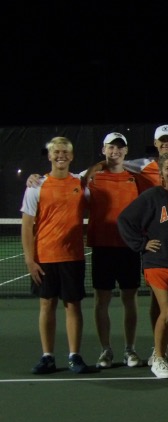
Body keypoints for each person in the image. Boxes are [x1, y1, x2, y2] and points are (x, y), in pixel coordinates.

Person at [117, 152, 168, 379]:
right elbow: (125, 220)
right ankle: (159, 358)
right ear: (161, 172)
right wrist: (141, 244)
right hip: (158, 263)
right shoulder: (152, 196)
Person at [20, 136, 92, 374]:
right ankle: (47, 356)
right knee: (46, 305)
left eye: (65, 152)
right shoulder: (35, 187)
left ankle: (74, 356)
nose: (60, 155)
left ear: (71, 157)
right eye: (56, 152)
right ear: (49, 156)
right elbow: (27, 226)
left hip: (73, 258)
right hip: (44, 259)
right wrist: (30, 260)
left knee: (73, 307)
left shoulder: (81, 184)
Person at [88, 132, 142, 368]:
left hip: (128, 248)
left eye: (120, 148)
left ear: (126, 151)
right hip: (102, 248)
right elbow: (65, 178)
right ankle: (106, 350)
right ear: (103, 150)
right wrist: (35, 179)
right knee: (102, 300)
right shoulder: (91, 178)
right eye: (111, 147)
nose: (115, 151)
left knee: (130, 299)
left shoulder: (135, 179)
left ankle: (130, 350)